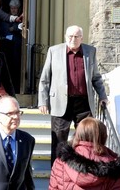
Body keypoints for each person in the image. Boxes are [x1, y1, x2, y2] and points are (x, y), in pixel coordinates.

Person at [38, 25, 108, 166]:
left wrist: (102, 95)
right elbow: (45, 78)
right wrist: (43, 101)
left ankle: (84, 169)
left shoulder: (90, 51)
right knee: (59, 140)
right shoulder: (54, 51)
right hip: (60, 102)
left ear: (82, 38)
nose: (73, 39)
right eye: (70, 36)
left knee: (87, 139)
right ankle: (58, 171)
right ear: (65, 37)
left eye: (76, 36)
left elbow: (95, 77)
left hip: (83, 103)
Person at [49, 117, 120, 189]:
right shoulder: (114, 168)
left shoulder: (61, 161)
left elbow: (53, 188)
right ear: (103, 136)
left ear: (77, 134)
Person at [0, 0, 23, 93]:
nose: (13, 10)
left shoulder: (21, 19)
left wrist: (15, 28)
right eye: (12, 8)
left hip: (18, 49)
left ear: (19, 9)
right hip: (6, 50)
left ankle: (16, 89)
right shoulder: (5, 19)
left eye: (15, 8)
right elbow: (1, 32)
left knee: (17, 69)